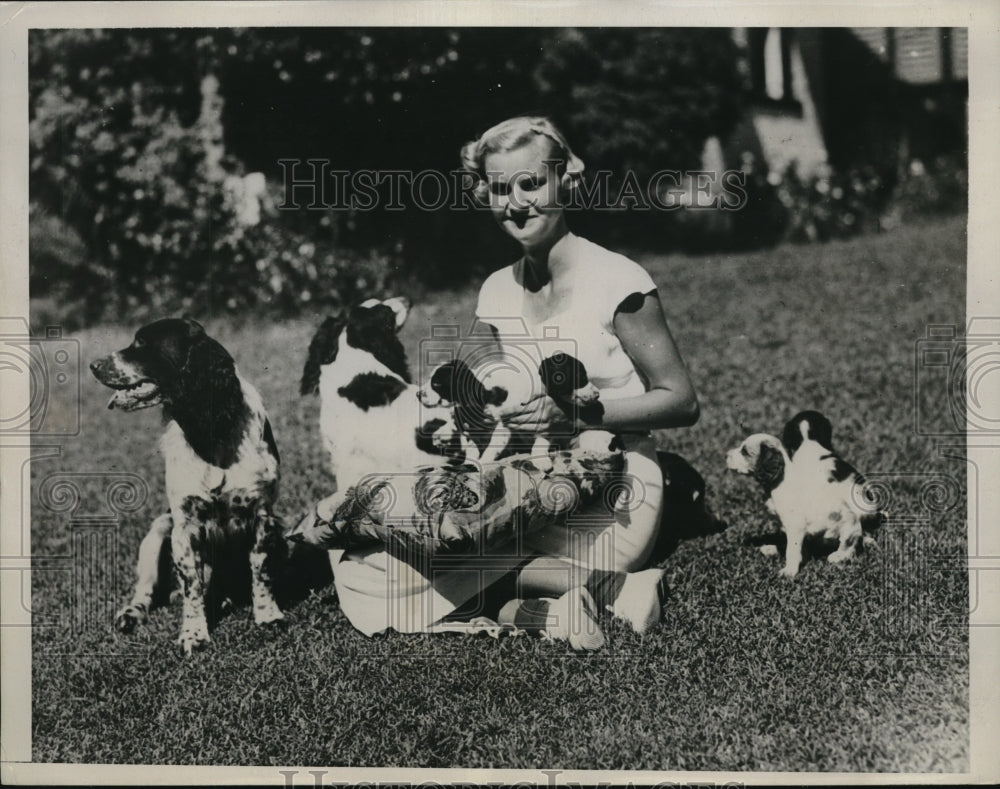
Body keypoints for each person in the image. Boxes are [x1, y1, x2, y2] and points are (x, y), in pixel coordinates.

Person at [460, 116, 700, 648]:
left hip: (614, 482)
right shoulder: (496, 291)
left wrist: (574, 416)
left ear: (563, 182)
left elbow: (681, 402)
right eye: (500, 188)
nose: (515, 202)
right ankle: (594, 602)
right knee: (427, 554)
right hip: (528, 482)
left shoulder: (619, 280)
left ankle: (597, 586)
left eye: (530, 183)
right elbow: (501, 400)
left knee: (459, 574)